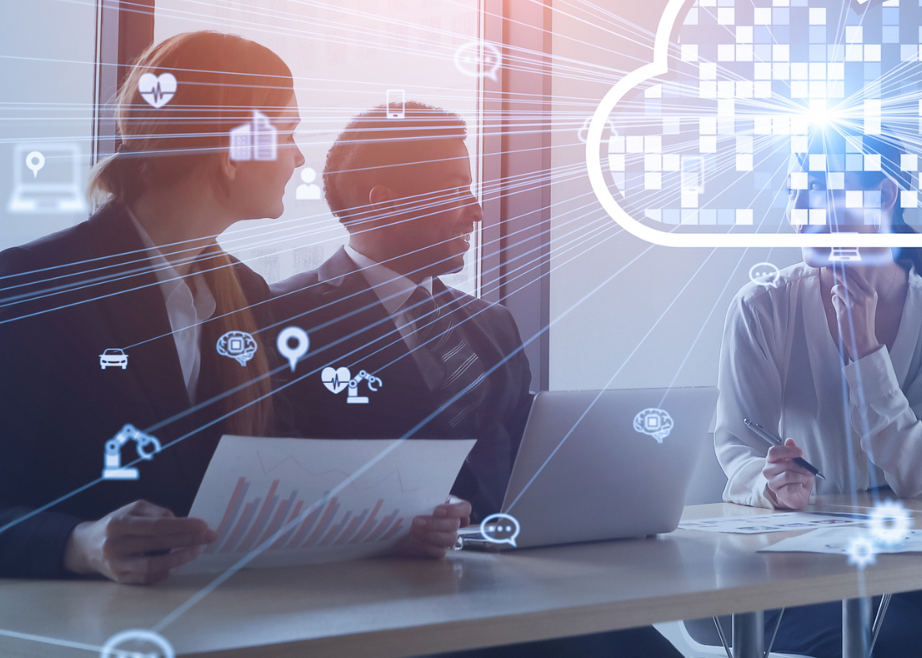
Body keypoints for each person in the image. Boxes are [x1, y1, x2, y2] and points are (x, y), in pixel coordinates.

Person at [0, 31, 465, 583]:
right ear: (233, 151)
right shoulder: (40, 282)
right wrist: (81, 544)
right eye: (288, 133)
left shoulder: (244, 293)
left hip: (209, 626)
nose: (298, 157)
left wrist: (390, 528)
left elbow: (272, 487)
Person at [269, 102, 677, 658]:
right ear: (384, 203)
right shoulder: (283, 317)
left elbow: (521, 461)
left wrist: (614, 497)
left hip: (511, 586)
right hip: (374, 605)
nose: (477, 212)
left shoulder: (490, 323)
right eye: (456, 189)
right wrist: (382, 528)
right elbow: (271, 471)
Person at [715, 127, 922, 658]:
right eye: (795, 190)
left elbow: (917, 473)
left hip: (903, 553)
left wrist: (865, 351)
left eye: (819, 187)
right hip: (790, 564)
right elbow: (737, 445)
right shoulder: (763, 306)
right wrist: (769, 483)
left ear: (885, 194)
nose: (799, 207)